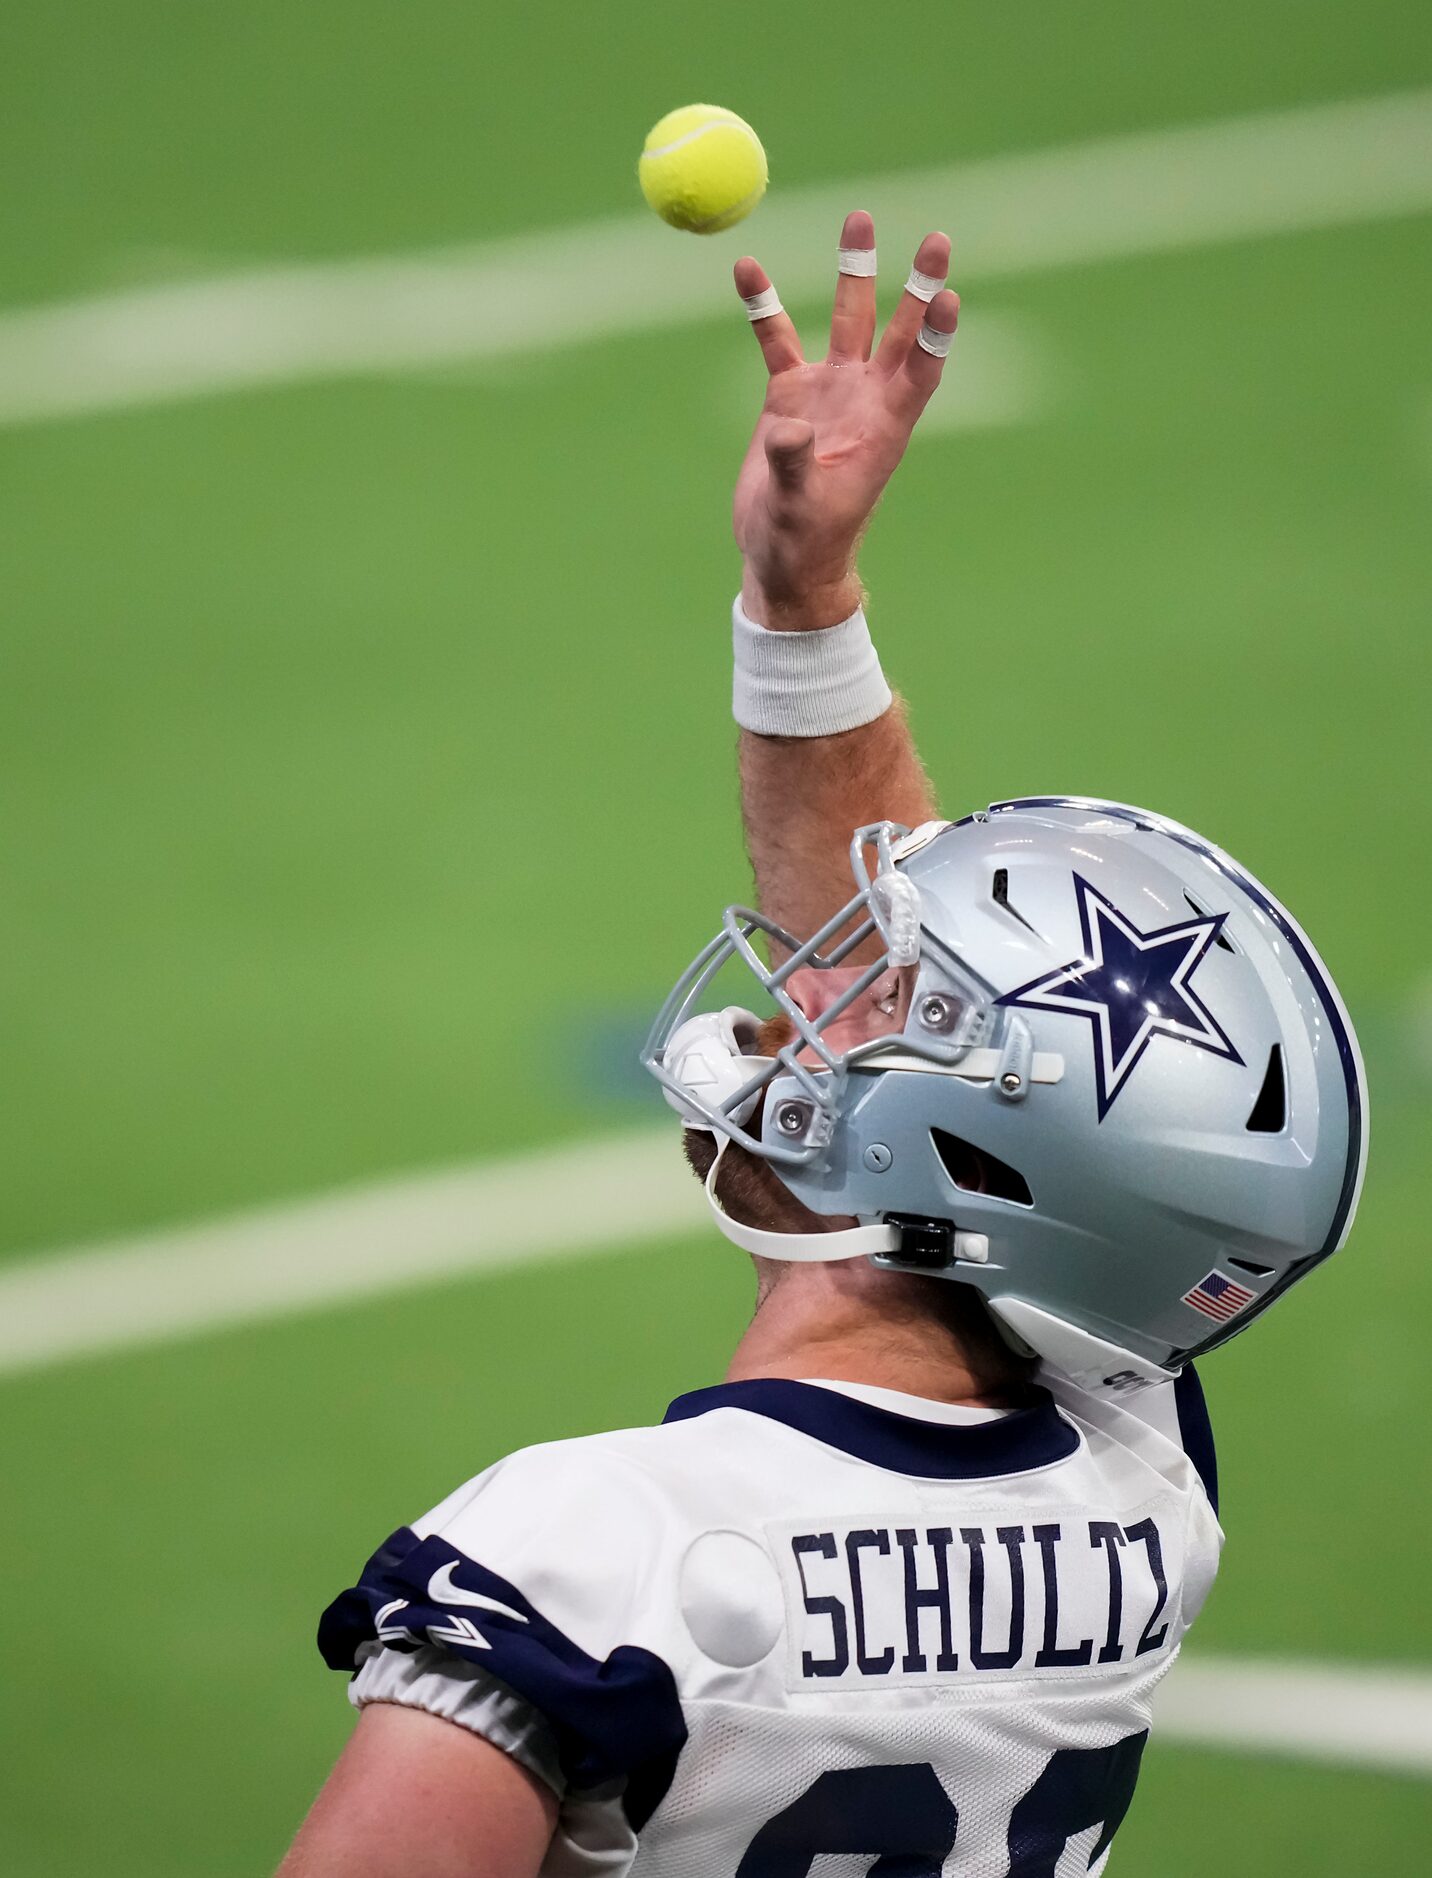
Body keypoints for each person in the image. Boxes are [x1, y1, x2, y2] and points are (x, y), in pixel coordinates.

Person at [279, 213, 1366, 1877]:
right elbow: (1038, 1140)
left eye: (892, 1007)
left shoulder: (587, 1566)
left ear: (961, 1156)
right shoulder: (1138, 1489)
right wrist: (805, 607)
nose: (815, 993)